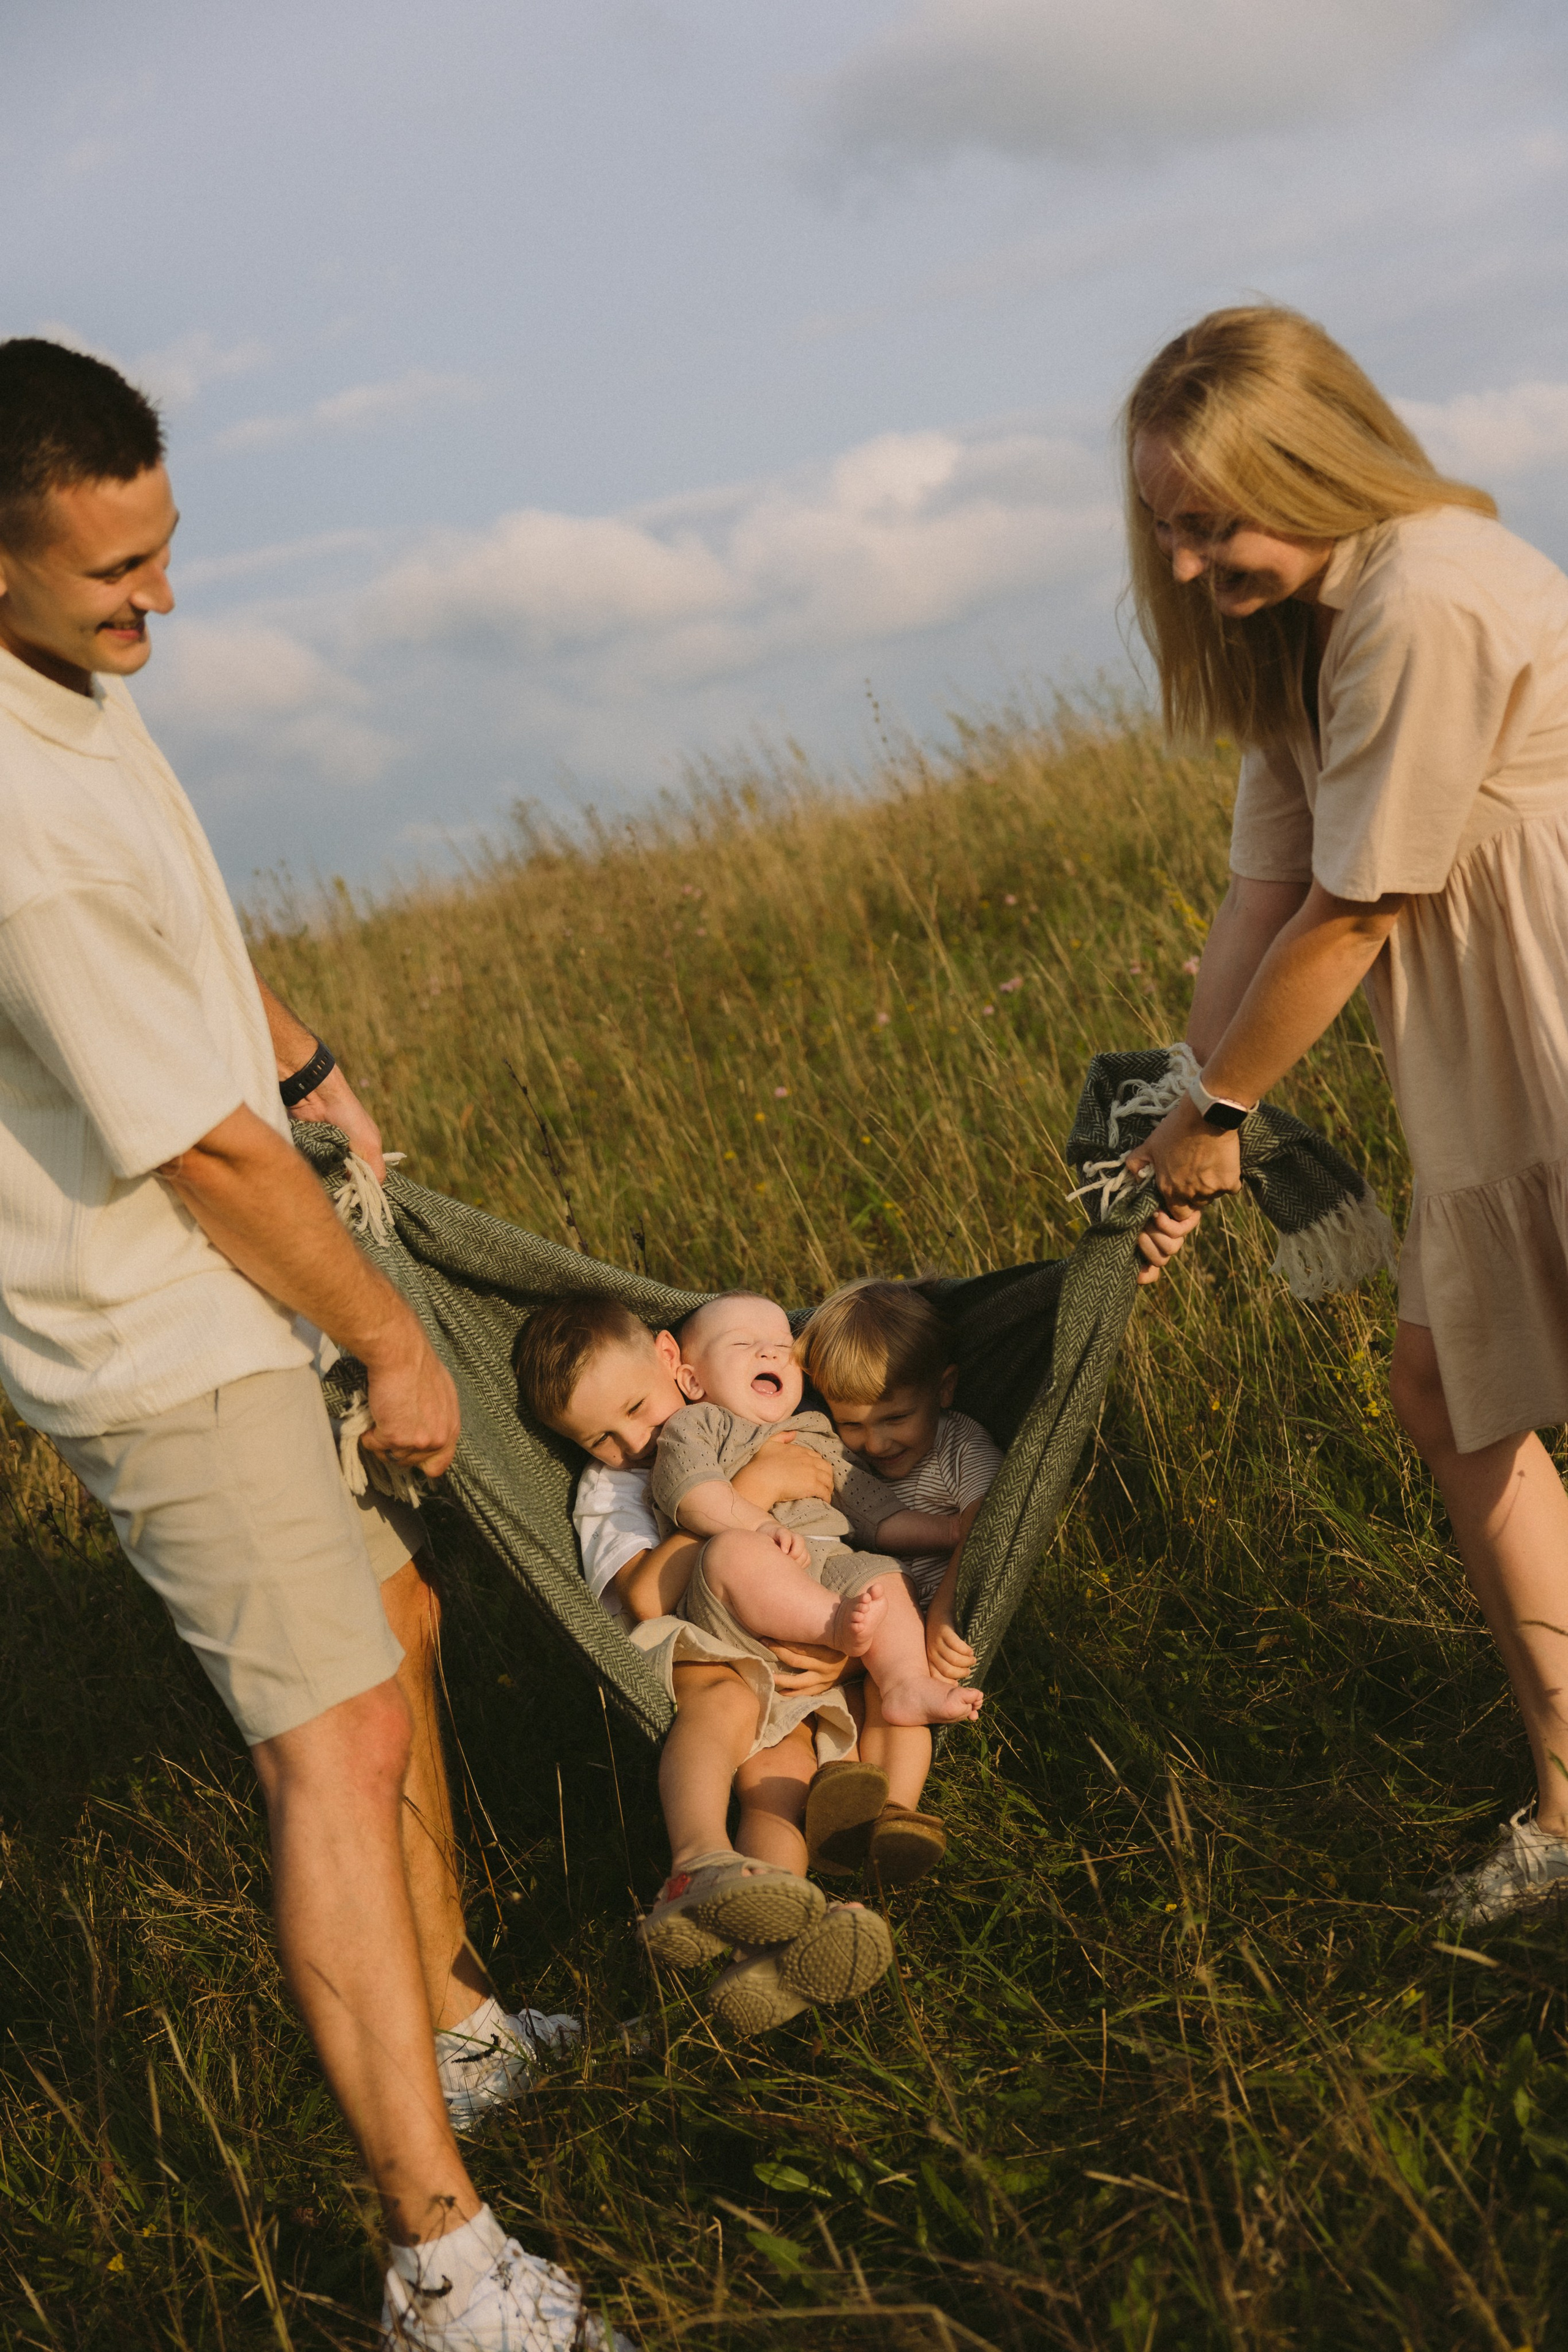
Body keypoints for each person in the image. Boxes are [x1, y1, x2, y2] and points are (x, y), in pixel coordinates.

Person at [0, 337, 625, 2351]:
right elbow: (190, 1154)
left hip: (254, 1286)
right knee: (332, 1744)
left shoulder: (72, 692)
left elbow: (192, 949)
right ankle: (445, 2265)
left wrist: (310, 1059)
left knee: (407, 1638)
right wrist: (399, 1344)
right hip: (165, 1334)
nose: (157, 598)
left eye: (164, 549)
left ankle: (447, 2022)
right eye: (112, 573)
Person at [1118, 303, 1568, 1926]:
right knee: (1447, 1389)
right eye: (1165, 526)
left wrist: (1228, 1107)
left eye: (1210, 522)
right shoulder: (1304, 622)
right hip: (1485, 1044)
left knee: (1451, 1383)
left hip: (1555, 999)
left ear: (1313, 468)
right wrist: (1178, 1129)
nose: (1181, 567)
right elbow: (1265, 893)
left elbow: (1359, 910)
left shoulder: (1428, 593)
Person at [513, 1294, 896, 2034]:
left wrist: (843, 1660)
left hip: (798, 1655)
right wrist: (749, 1490)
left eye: (636, 1406)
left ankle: (771, 1949)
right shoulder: (615, 1489)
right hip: (700, 1641)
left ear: (670, 1360)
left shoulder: (764, 1415)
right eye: (602, 1437)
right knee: (722, 1700)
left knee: (781, 1782)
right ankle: (696, 1864)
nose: (635, 1440)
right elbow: (647, 1597)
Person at [651, 1292, 986, 1731]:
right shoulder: (697, 1425)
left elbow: (875, 1513)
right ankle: (836, 1627)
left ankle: (905, 1685)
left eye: (780, 1344)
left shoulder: (818, 1430)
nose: (769, 1350)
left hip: (830, 1572)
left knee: (887, 1576)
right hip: (745, 1598)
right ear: (693, 1381)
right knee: (733, 1551)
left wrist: (946, 1531)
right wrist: (760, 1524)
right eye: (741, 1344)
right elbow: (696, 1494)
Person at [794, 1277, 1003, 1880]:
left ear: (943, 1389)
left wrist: (942, 1608)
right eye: (852, 1424)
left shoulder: (961, 1448)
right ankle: (842, 1820)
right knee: (854, 1704)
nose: (876, 1442)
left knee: (896, 1705)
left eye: (895, 1418)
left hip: (923, 1622)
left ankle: (896, 1816)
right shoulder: (842, 1457)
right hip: (865, 1619)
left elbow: (981, 1526)